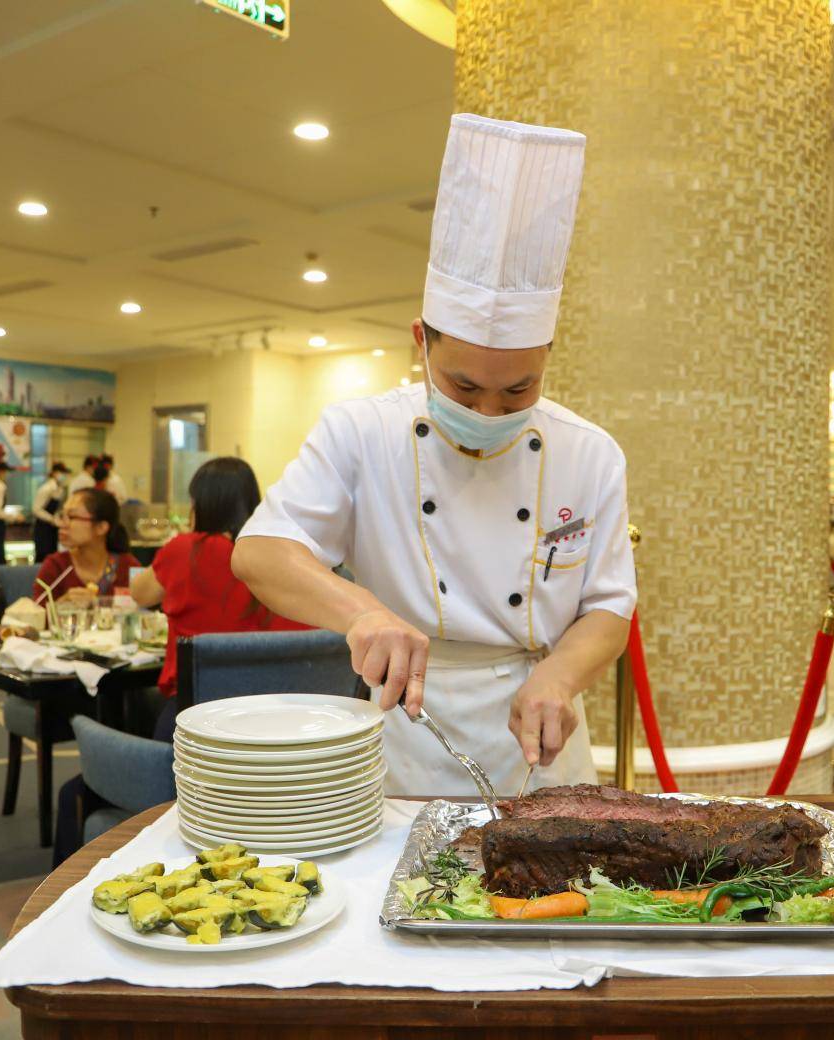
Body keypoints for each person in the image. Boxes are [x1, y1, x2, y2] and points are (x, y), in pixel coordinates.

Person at [232, 114, 637, 798]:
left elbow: (608, 610)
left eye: (518, 390)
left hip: (541, 741)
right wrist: (362, 611)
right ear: (421, 341)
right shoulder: (360, 432)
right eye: (464, 386)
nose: (488, 412)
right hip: (405, 739)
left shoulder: (590, 452)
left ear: (546, 357)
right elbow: (261, 553)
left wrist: (559, 677)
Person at [131, 457, 310, 702]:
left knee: (141, 704)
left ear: (202, 505)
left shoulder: (186, 549)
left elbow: (140, 593)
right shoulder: (281, 551)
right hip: (278, 706)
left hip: (198, 711)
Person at [33, 487, 137, 606]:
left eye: (71, 517)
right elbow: (36, 615)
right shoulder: (56, 566)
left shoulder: (128, 567)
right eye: (62, 516)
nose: (62, 524)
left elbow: (143, 615)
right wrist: (61, 606)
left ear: (101, 527)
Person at [31, 461, 71, 563]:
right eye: (62, 473)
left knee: (52, 556)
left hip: (52, 528)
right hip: (43, 528)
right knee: (42, 556)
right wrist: (52, 519)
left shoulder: (59, 489)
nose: (64, 476)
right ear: (54, 473)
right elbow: (36, 509)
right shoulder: (46, 488)